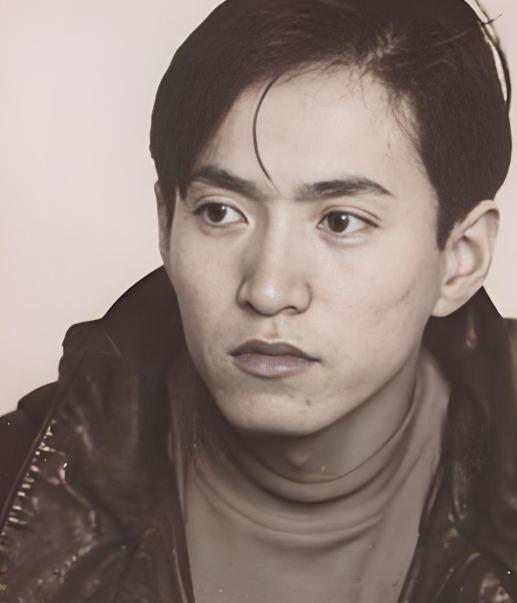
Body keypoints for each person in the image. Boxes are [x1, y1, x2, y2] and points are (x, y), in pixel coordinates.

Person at [1, 0, 516, 601]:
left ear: (461, 258)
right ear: (166, 225)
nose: (268, 291)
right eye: (221, 213)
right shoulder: (14, 479)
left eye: (341, 221)